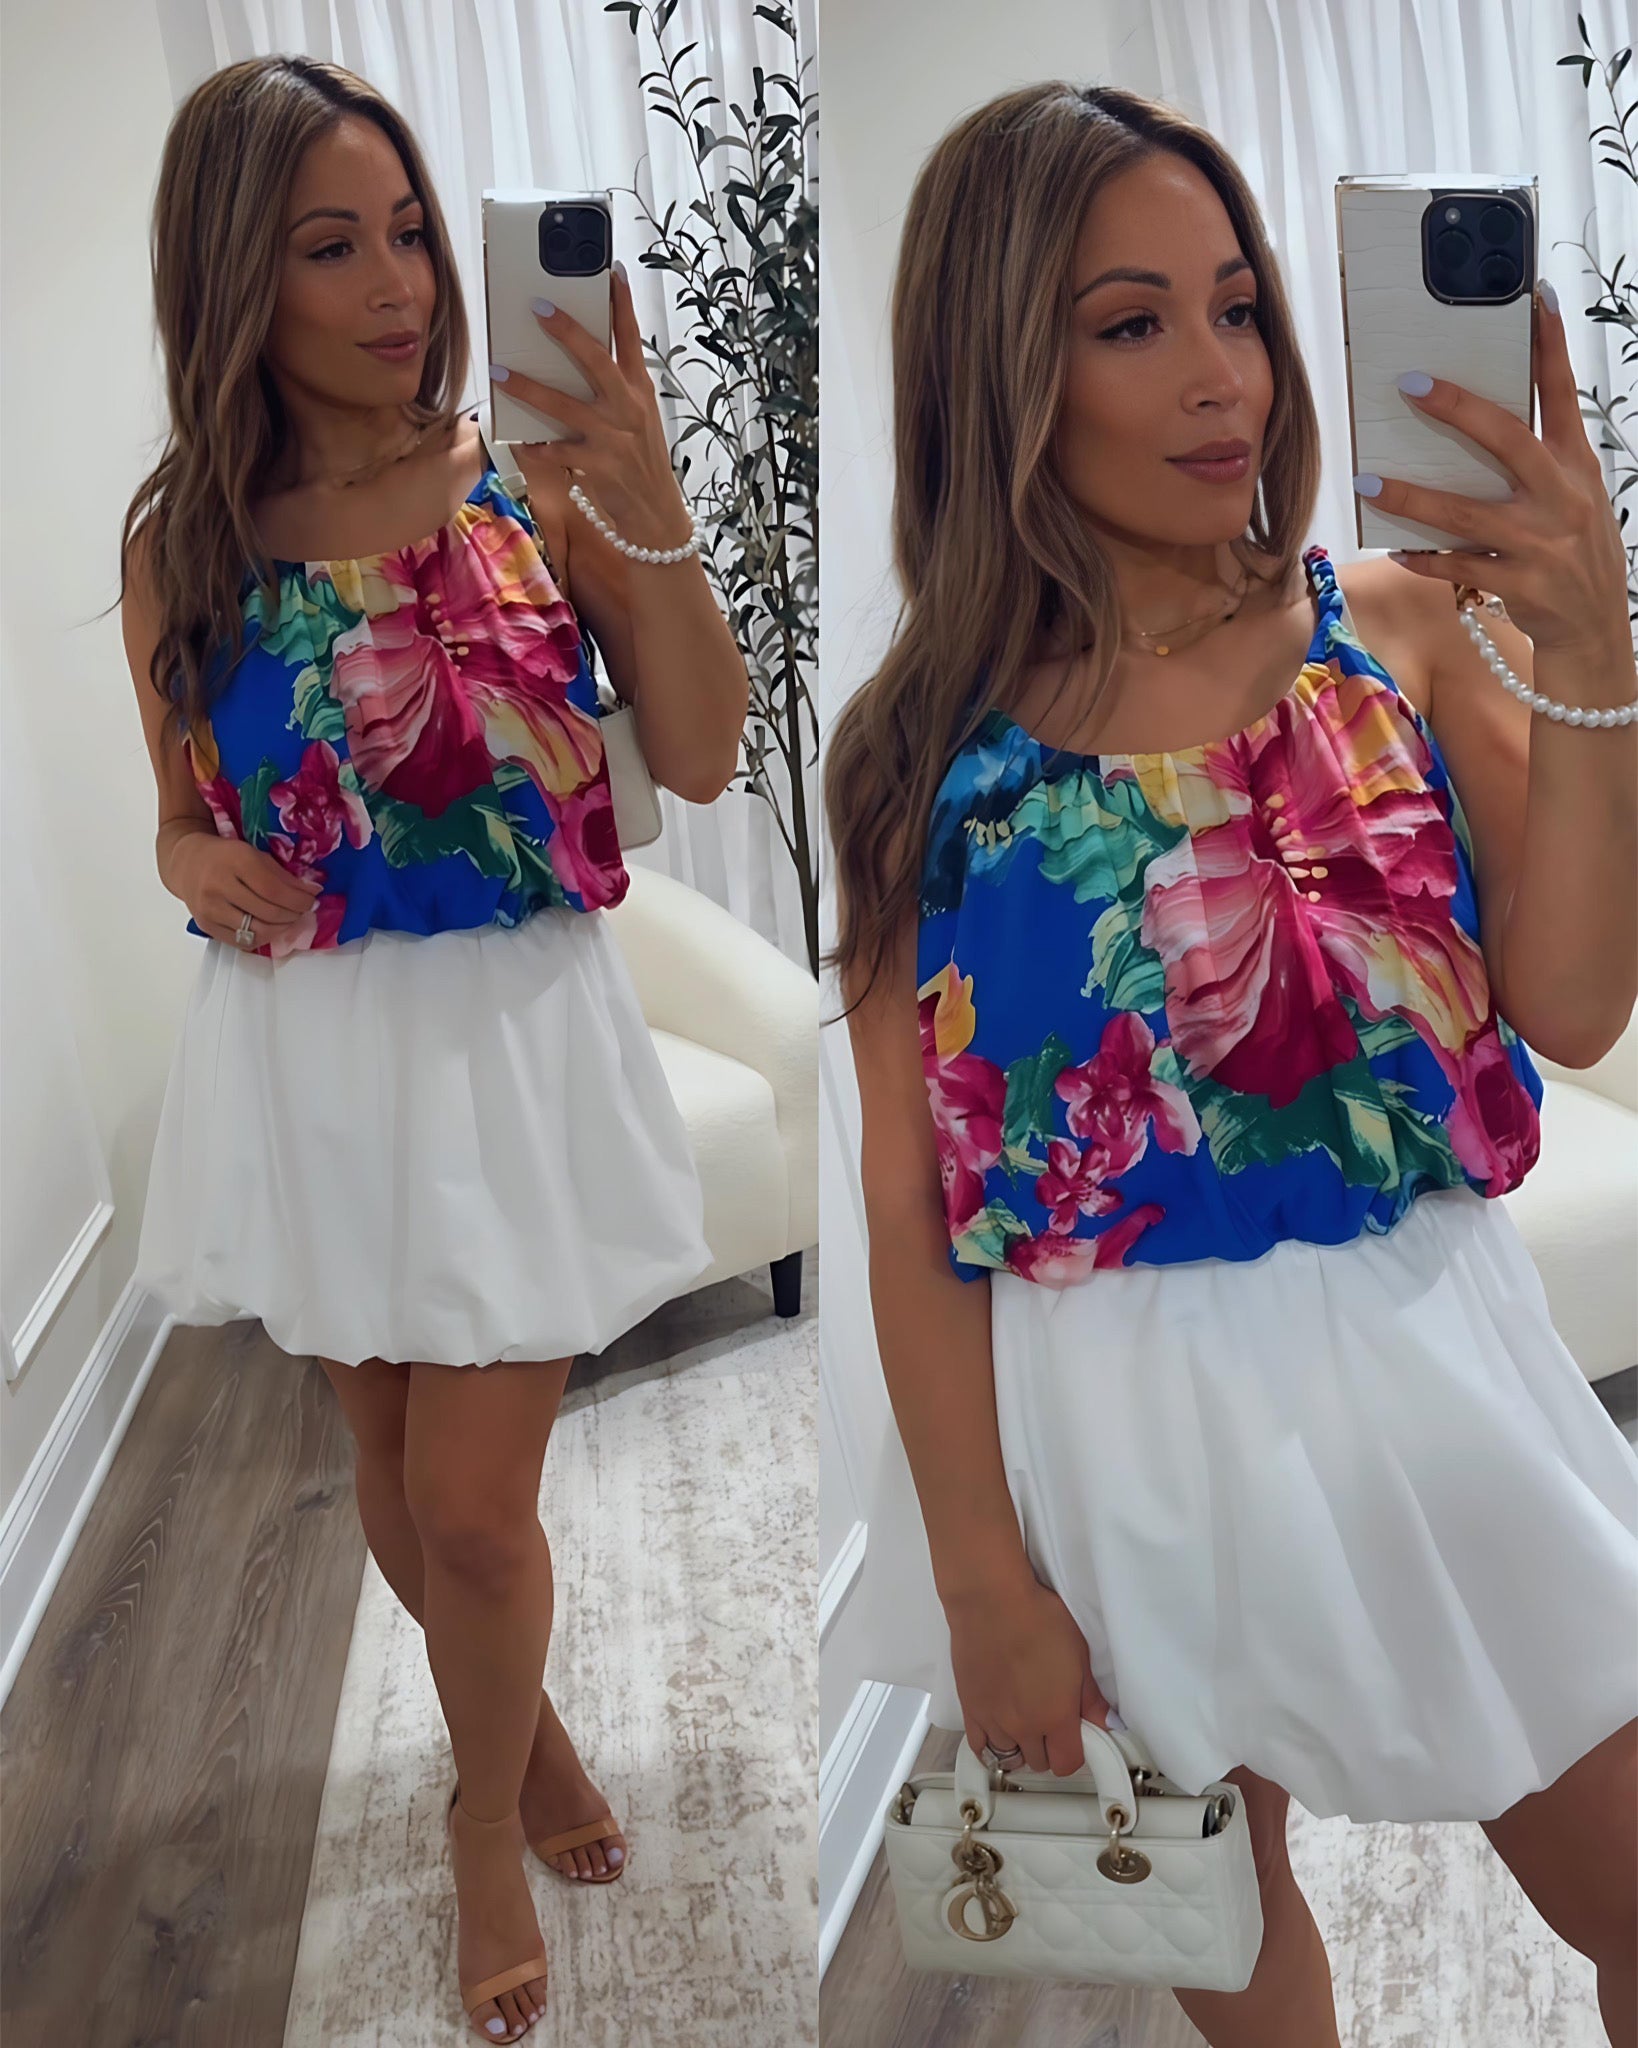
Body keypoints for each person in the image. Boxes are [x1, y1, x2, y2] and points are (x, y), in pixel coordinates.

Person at [822, 80, 1637, 2048]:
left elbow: (1576, 1005)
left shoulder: (1396, 636)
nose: (1224, 379)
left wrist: (1596, 656)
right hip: (1110, 1428)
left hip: (1427, 1365)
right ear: (1001, 370)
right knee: (1221, 1931)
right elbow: (910, 1197)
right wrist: (982, 1581)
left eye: (1240, 308)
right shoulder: (920, 754)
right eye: (1133, 323)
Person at [118, 56, 749, 2044]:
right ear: (236, 275)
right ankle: (528, 1734)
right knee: (392, 1479)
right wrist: (190, 857)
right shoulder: (186, 540)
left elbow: (704, 751)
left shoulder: (531, 482)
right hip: (306, 1048)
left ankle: (481, 1812)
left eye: (406, 231)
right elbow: (177, 815)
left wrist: (651, 513)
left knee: (474, 1508)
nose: (397, 284)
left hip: (510, 1042)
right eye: (331, 246)